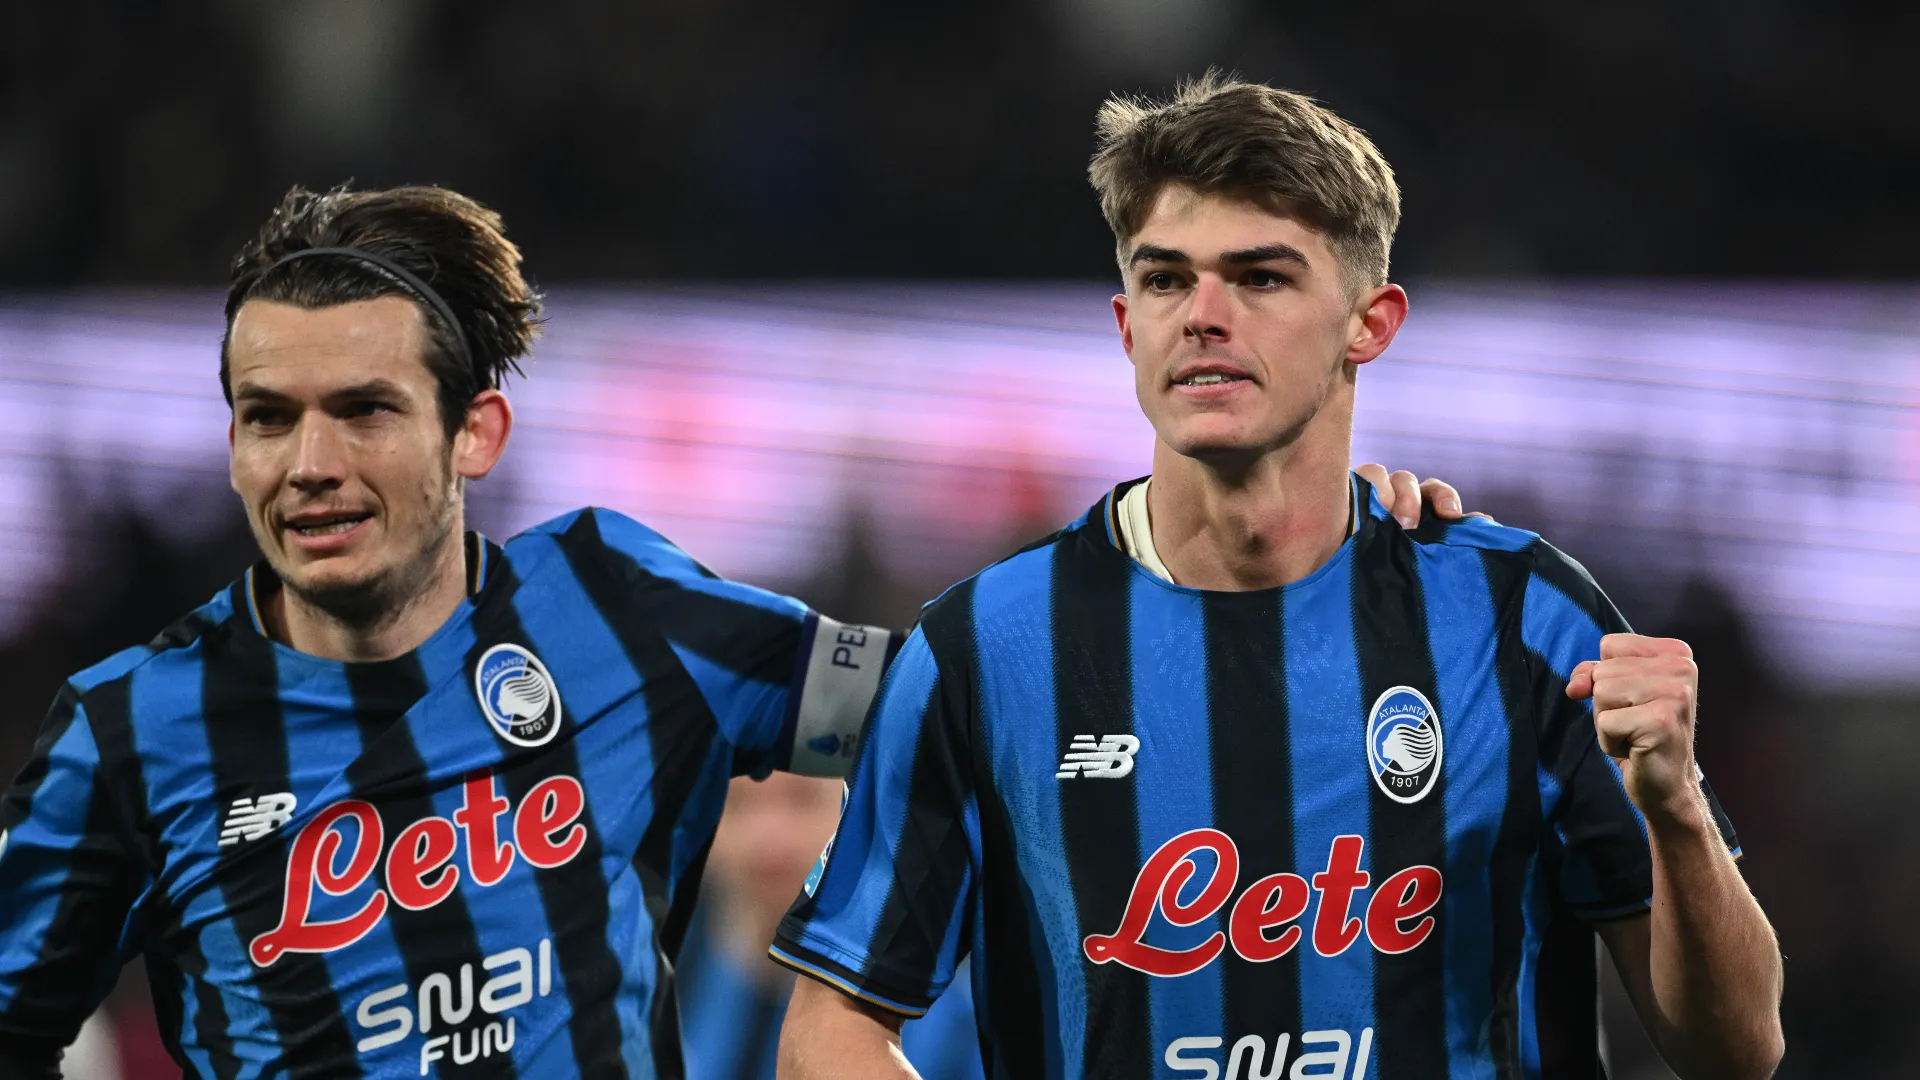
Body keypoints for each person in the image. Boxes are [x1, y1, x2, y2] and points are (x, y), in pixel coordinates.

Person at [0, 182, 1469, 1078]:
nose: (309, 463)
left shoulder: (614, 610)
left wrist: (1305, 549)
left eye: (364, 410)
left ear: (475, 434)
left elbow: (964, 699)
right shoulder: (127, 732)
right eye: (268, 417)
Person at [773, 74, 1785, 1080]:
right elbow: (833, 1026)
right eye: (1167, 280)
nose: (1203, 316)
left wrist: (1676, 810)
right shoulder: (988, 646)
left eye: (1260, 278)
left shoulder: (1519, 617)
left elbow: (1738, 1052)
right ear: (1127, 326)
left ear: (1369, 323)